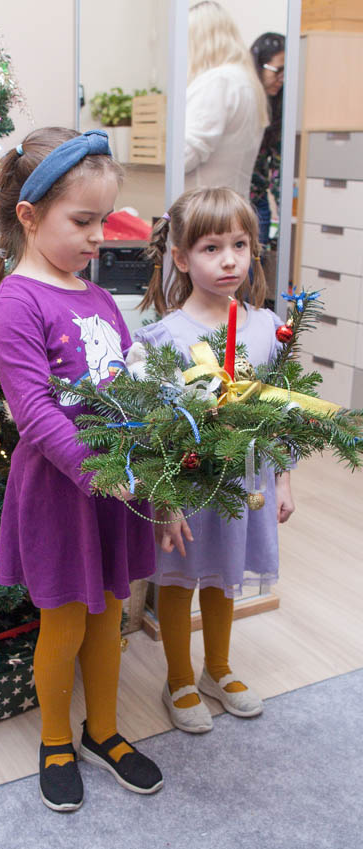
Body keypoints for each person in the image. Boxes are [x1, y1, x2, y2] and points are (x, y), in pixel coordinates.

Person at [0, 127, 163, 812]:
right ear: (30, 216)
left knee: (110, 615)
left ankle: (104, 731)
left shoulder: (98, 298)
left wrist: (155, 479)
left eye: (104, 220)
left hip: (115, 485)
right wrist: (100, 472)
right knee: (64, 623)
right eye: (83, 221)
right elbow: (34, 414)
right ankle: (56, 740)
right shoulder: (16, 303)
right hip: (62, 493)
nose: (98, 237)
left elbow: (130, 388)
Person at [135, 186, 295, 734]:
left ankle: (217, 670)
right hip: (189, 487)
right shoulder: (167, 337)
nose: (229, 260)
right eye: (211, 248)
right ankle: (179, 678)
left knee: (224, 577)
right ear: (181, 258)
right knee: (181, 579)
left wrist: (284, 480)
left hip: (246, 482)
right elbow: (152, 431)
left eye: (239, 245)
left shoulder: (267, 328)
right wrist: (163, 500)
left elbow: (280, 413)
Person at [184, 1, 268, 199]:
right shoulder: (246, 81)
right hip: (232, 205)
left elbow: (185, 156)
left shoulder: (217, 82)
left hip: (204, 208)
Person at [250, 33, 285, 248]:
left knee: (255, 263)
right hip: (229, 201)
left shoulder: (279, 106)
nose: (282, 79)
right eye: (278, 70)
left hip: (258, 203)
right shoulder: (241, 100)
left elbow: (279, 168)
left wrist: (284, 218)